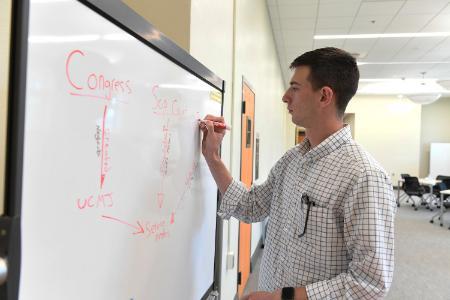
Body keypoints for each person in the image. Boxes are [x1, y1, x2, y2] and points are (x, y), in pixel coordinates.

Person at [199, 47, 396, 300]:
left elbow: (370, 284)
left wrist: (284, 297)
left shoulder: (364, 176)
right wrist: (212, 157)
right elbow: (251, 206)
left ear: (324, 96)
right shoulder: (292, 160)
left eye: (294, 88)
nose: (284, 97)